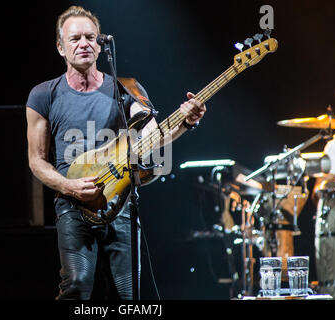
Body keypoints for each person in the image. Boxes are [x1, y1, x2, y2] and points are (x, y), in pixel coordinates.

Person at [25, 5, 206, 300]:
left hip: (120, 201)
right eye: (75, 39)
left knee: (128, 294)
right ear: (60, 47)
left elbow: (153, 138)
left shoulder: (127, 89)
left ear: (100, 43)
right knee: (76, 286)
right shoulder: (43, 94)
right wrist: (69, 186)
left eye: (90, 37)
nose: (84, 43)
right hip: (72, 204)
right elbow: (36, 160)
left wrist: (187, 121)